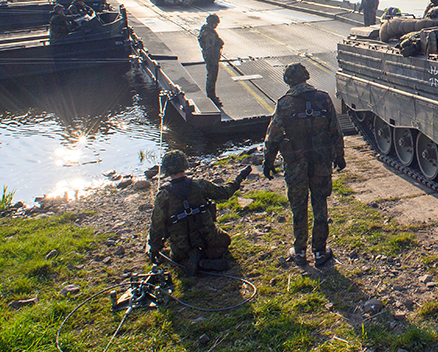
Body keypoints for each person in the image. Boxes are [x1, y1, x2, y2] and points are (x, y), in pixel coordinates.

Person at [263, 63, 345, 268]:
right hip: (321, 163)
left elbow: (272, 137)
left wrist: (268, 161)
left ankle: (299, 251)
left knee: (298, 208)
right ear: (306, 76)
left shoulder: (284, 104)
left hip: (296, 166)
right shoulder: (324, 98)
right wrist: (340, 156)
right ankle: (319, 251)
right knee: (320, 207)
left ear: (288, 80)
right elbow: (335, 130)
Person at [148, 150, 251, 276]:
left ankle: (191, 259)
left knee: (175, 256)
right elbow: (225, 193)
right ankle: (208, 256)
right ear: (184, 165)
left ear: (166, 169)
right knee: (225, 240)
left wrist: (154, 250)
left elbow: (156, 226)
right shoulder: (200, 185)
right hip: (208, 238)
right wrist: (239, 178)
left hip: (181, 247)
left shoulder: (163, 196)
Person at [198, 14, 223, 106]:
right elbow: (209, 49)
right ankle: (211, 96)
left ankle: (212, 95)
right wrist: (213, 60)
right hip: (211, 59)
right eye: (215, 23)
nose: (216, 25)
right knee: (212, 78)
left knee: (211, 77)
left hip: (211, 58)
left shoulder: (206, 30)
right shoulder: (209, 34)